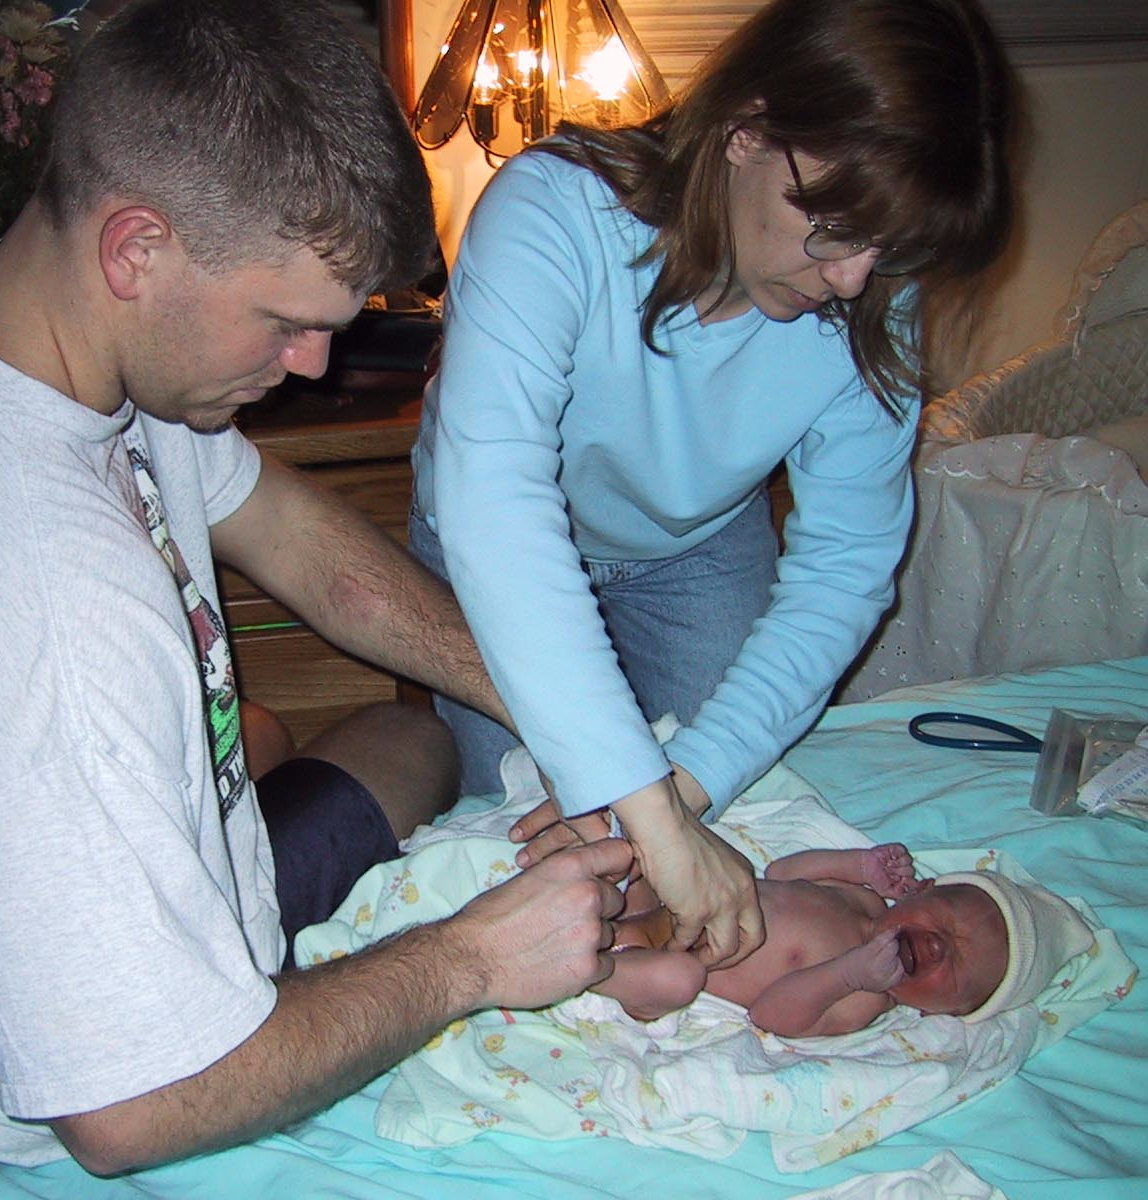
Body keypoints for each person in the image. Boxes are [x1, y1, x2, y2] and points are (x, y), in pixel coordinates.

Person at [0, 0, 638, 1177]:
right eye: (284, 324)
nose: (311, 366)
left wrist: (570, 717)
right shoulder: (39, 619)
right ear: (137, 247)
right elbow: (130, 1114)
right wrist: (472, 959)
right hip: (60, 1058)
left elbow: (293, 535)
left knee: (404, 743)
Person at [408, 0, 1016, 970]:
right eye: (834, 224)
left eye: (888, 248)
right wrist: (640, 804)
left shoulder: (870, 298)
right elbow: (498, 507)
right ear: (745, 131)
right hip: (497, 541)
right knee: (523, 830)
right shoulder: (551, 211)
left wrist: (681, 797)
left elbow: (846, 570)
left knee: (675, 825)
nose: (854, 279)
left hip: (694, 547)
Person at [593, 844, 1094, 1038]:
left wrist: (848, 972)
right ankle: (591, 914)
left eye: (959, 965)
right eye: (949, 918)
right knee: (654, 848)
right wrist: (856, 866)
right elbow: (782, 873)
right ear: (925, 891)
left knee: (681, 978)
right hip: (655, 902)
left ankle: (592, 967)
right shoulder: (864, 901)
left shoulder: (862, 1000)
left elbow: (770, 1016)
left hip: (655, 961)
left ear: (946, 1011)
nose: (942, 945)